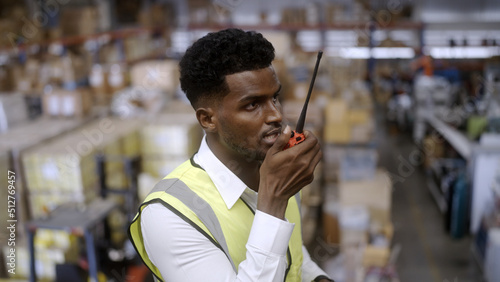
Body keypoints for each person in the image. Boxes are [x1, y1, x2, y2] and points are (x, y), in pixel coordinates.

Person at [129, 28, 333, 282]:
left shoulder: (277, 170)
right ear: (208, 119)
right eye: (252, 104)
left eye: (275, 98)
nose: (276, 115)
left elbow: (290, 251)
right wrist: (273, 201)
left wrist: (318, 278)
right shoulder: (169, 215)